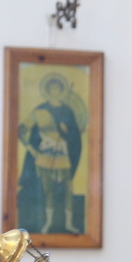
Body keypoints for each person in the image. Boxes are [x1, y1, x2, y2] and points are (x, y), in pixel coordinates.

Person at [17, 72, 84, 234]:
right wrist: (32, 150)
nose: (54, 91)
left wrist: (66, 131)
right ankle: (47, 223)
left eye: (57, 88)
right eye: (52, 88)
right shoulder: (40, 110)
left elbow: (75, 136)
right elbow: (21, 130)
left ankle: (68, 224)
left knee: (67, 190)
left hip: (63, 155)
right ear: (48, 90)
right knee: (48, 191)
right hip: (44, 156)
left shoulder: (67, 111)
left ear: (61, 90)